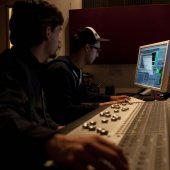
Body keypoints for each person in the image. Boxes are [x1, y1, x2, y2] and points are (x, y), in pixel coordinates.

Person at [0, 0, 129, 170]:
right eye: (59, 31)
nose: (60, 39)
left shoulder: (33, 68)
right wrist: (53, 141)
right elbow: (4, 116)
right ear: (48, 32)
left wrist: (65, 131)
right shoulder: (9, 67)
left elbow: (41, 119)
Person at [43, 26, 130, 125]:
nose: (98, 55)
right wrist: (102, 105)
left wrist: (111, 98)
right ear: (87, 47)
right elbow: (64, 111)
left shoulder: (76, 69)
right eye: (97, 50)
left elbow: (85, 95)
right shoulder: (60, 70)